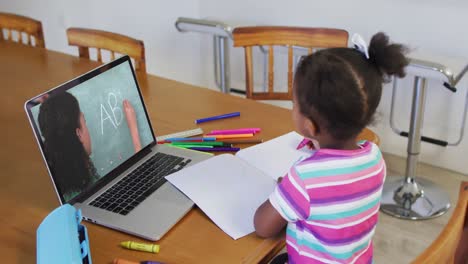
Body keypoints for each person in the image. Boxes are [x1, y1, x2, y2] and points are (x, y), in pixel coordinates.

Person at [254, 32, 409, 264]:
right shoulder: (375, 157)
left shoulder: (304, 177)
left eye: (293, 103)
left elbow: (263, 227)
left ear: (309, 125)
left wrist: (287, 191)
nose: (292, 108)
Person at [38, 91, 141, 201]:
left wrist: (51, 108)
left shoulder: (63, 171)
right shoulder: (89, 190)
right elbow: (134, 195)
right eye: (85, 121)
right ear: (78, 134)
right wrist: (134, 130)